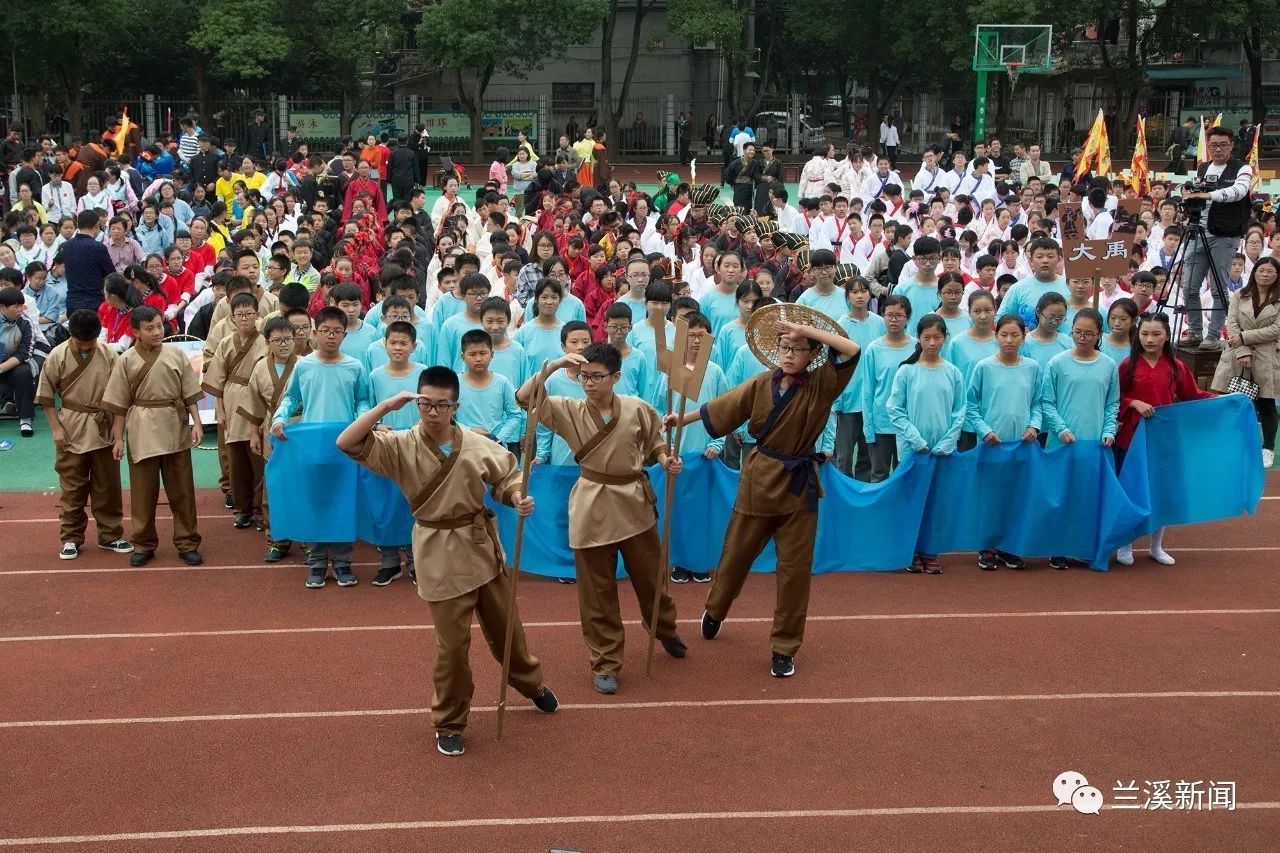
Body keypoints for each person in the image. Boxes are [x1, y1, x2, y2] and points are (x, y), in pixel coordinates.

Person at [338, 366, 558, 756]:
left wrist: (516, 497)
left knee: (508, 630)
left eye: (442, 405)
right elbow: (348, 442)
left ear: (455, 406)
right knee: (453, 647)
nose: (433, 411)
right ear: (416, 401)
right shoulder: (400, 444)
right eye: (425, 403)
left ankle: (531, 684)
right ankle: (450, 721)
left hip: (480, 547)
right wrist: (386, 406)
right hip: (437, 551)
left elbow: (507, 477)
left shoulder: (475, 443)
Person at [665, 309, 860, 678]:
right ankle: (717, 608)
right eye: (784, 346)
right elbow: (720, 408)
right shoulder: (759, 384)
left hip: (799, 487)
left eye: (799, 348)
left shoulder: (822, 384)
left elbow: (852, 349)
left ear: (813, 355)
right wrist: (682, 418)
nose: (789, 354)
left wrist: (804, 328)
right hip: (758, 478)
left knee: (794, 572)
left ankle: (784, 647)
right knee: (736, 555)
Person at [516, 343, 686, 695]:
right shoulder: (568, 410)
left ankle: (664, 628)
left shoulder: (637, 408)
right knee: (597, 591)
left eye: (596, 377)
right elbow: (525, 398)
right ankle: (605, 661)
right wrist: (553, 365)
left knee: (652, 580)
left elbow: (655, 441)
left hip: (634, 505)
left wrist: (664, 459)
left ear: (616, 377)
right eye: (583, 377)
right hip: (591, 504)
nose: (588, 383)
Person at [271, 306, 373, 588]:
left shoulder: (354, 366)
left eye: (337, 331)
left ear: (345, 334)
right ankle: (316, 564)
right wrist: (279, 419)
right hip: (311, 448)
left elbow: (363, 399)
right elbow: (291, 400)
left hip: (345, 448)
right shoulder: (304, 365)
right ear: (315, 333)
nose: (331, 336)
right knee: (314, 502)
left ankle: (342, 563)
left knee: (343, 502)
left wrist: (363, 417)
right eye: (325, 331)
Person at [100, 306, 204, 566]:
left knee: (182, 491)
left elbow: (190, 392)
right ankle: (144, 544)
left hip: (174, 424)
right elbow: (119, 403)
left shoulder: (176, 354)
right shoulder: (125, 360)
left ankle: (187, 542)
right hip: (141, 427)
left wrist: (198, 423)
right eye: (150, 328)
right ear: (135, 331)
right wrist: (118, 438)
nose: (157, 331)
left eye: (159, 325)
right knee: (143, 493)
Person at [1115, 314, 1215, 565]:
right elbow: (1113, 400)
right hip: (1131, 438)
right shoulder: (1127, 365)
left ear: (1167, 336)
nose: (1150, 339)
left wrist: (1223, 400)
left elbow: (1193, 395)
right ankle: (1125, 544)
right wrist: (1133, 403)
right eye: (1145, 334)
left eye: (1156, 334)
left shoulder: (1176, 366)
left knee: (1162, 491)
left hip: (1165, 439)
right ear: (1137, 336)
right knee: (1130, 489)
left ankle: (1156, 546)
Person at [36, 309, 131, 558]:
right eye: (80, 342)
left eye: (90, 342)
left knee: (107, 486)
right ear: (71, 335)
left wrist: (117, 431)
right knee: (72, 486)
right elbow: (46, 396)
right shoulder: (57, 355)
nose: (85, 346)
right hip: (70, 426)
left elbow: (121, 395)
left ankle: (110, 535)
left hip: (103, 425)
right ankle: (70, 537)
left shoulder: (110, 354)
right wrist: (56, 428)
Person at [887, 313, 966, 573]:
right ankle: (909, 550)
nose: (932, 343)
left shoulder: (952, 373)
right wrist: (916, 440)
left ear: (945, 338)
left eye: (937, 337)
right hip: (913, 451)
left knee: (936, 500)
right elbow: (895, 410)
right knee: (912, 499)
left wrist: (947, 442)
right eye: (927, 337)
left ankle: (929, 551)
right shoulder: (907, 371)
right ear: (918, 338)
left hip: (941, 452)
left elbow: (959, 410)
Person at [965, 314, 1042, 571]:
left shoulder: (1032, 368)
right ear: (996, 336)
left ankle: (1010, 546)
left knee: (1016, 496)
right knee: (990, 497)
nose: (1009, 340)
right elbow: (971, 405)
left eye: (1015, 335)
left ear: (1023, 337)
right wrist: (984, 431)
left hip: (1022, 446)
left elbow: (1038, 402)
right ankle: (987, 546)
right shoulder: (984, 367)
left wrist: (1034, 426)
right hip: (991, 445)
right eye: (1004, 335)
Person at [1179, 127, 1254, 350]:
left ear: (1231, 145)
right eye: (1214, 145)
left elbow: (1238, 192)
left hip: (1225, 235)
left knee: (1218, 288)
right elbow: (1195, 189)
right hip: (1198, 231)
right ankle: (1194, 332)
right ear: (1208, 146)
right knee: (1189, 287)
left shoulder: (1242, 168)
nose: (1218, 149)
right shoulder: (1203, 167)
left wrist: (1208, 194)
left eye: (1223, 144)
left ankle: (1213, 335)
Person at [202, 292, 267, 530]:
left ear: (257, 316)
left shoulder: (264, 342)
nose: (244, 319)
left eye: (249, 314)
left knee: (258, 459)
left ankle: (261, 510)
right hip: (231, 400)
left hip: (257, 400)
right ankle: (243, 509)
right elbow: (216, 381)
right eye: (239, 315)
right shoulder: (225, 343)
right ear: (232, 317)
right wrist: (219, 411)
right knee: (236, 460)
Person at [240, 316, 300, 563]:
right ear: (268, 342)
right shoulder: (260, 367)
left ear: (295, 340)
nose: (283, 345)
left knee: (303, 488)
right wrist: (254, 433)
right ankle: (277, 540)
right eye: (277, 340)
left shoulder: (306, 365)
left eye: (288, 339)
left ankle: (308, 540)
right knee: (273, 489)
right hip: (271, 431)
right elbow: (254, 404)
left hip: (301, 430)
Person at [1211, 257, 1280, 469]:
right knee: (1230, 401)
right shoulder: (1240, 295)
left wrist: (1245, 337)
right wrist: (1242, 350)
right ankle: (1230, 443)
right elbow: (1231, 324)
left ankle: (1267, 447)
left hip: (1266, 356)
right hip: (1235, 355)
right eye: (1261, 270)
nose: (1265, 274)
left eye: (1270, 271)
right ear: (1254, 273)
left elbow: (1277, 329)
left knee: (1266, 404)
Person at [0, 287, 44, 438]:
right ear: (2, 307)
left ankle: (25, 419)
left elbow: (24, 353)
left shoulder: (25, 322)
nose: (20, 310)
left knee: (24, 373)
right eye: (15, 306)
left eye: (21, 305)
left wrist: (1, 368)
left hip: (16, 362)